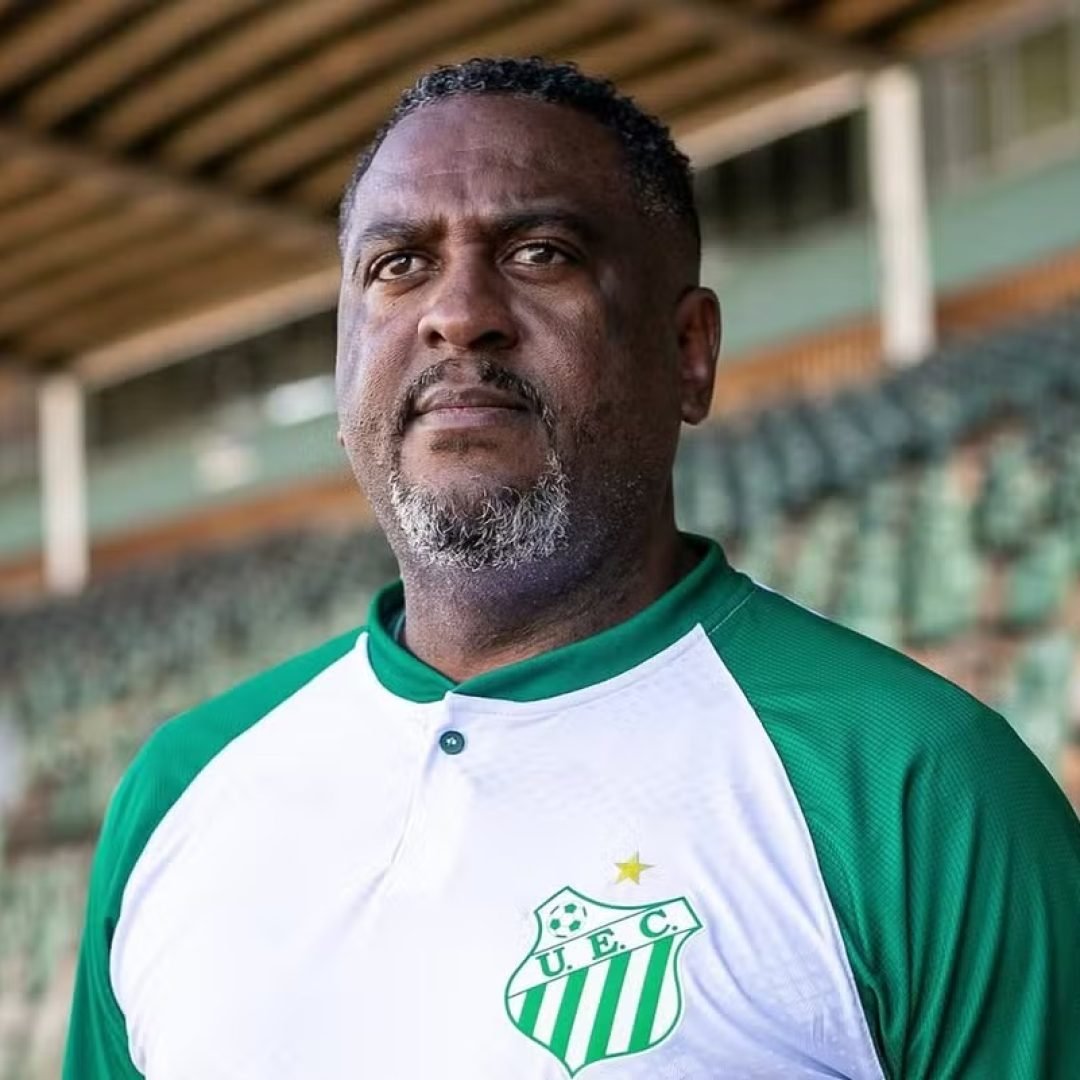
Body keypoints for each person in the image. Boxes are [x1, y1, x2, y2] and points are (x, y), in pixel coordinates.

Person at [65, 58, 1080, 1080]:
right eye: (398, 265)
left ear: (689, 351)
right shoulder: (181, 784)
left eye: (540, 253)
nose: (457, 313)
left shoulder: (916, 786)